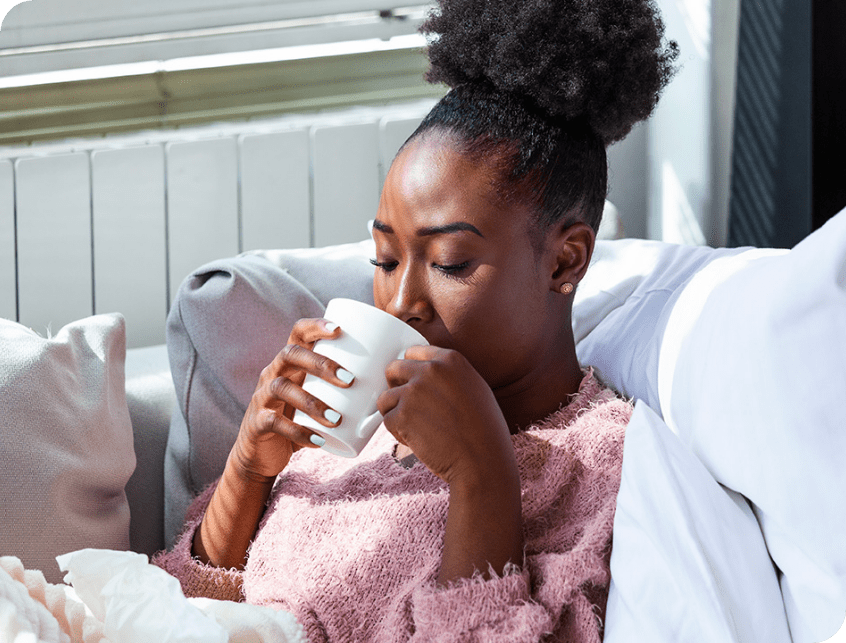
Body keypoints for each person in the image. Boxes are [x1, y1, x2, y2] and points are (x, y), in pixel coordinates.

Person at [154, 0, 678, 639]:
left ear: (565, 261)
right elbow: (174, 606)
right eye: (384, 257)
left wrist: (482, 475)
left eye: (451, 262)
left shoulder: (604, 471)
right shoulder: (357, 424)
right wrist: (248, 468)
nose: (399, 303)